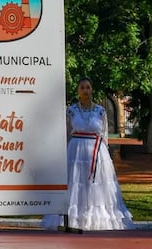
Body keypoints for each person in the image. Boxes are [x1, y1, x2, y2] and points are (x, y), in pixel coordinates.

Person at [43, 77, 134, 231]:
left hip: (96, 152)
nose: (85, 90)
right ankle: (73, 218)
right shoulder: (71, 111)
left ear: (92, 90)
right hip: (75, 153)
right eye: (82, 88)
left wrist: (104, 158)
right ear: (78, 91)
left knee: (96, 186)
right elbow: (66, 134)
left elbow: (104, 135)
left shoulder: (101, 111)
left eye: (88, 87)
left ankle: (97, 218)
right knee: (75, 185)